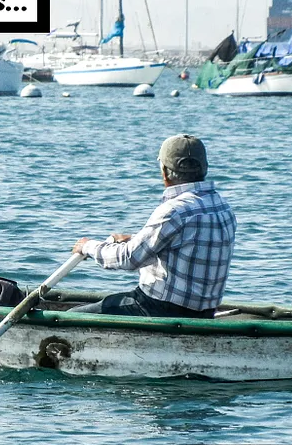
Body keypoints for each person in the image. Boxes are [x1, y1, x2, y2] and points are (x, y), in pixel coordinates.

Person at [70, 134, 237, 318]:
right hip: (203, 312)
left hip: (159, 309)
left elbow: (129, 259)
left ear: (164, 171)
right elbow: (187, 243)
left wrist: (88, 247)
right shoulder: (222, 206)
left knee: (72, 316)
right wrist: (134, 239)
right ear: (204, 168)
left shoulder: (174, 210)